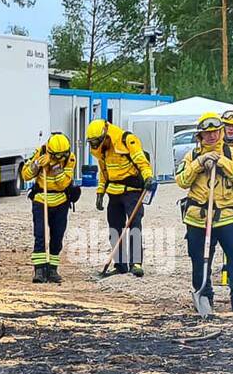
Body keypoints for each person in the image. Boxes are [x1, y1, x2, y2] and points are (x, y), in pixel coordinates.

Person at [176, 111, 233, 312]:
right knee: (199, 258)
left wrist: (221, 161)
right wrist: (199, 163)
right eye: (207, 133)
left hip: (226, 215)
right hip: (198, 218)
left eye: (215, 132)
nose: (212, 136)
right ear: (200, 136)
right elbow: (182, 181)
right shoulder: (192, 155)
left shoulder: (232, 153)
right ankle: (204, 295)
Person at [88, 117, 155, 276]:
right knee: (115, 229)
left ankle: (136, 263)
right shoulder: (102, 150)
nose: (95, 145)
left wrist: (148, 178)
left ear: (105, 135)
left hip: (132, 191)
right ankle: (120, 265)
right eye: (92, 142)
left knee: (134, 226)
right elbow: (104, 173)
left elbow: (142, 162)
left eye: (97, 141)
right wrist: (100, 192)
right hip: (114, 193)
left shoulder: (127, 140)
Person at [21, 133, 76, 284]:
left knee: (57, 236)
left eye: (61, 156)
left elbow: (63, 184)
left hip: (60, 201)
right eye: (56, 156)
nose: (60, 158)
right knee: (40, 235)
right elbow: (25, 176)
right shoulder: (41, 152)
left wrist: (55, 166)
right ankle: (39, 270)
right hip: (41, 200)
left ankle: (52, 269)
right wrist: (37, 164)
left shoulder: (70, 158)